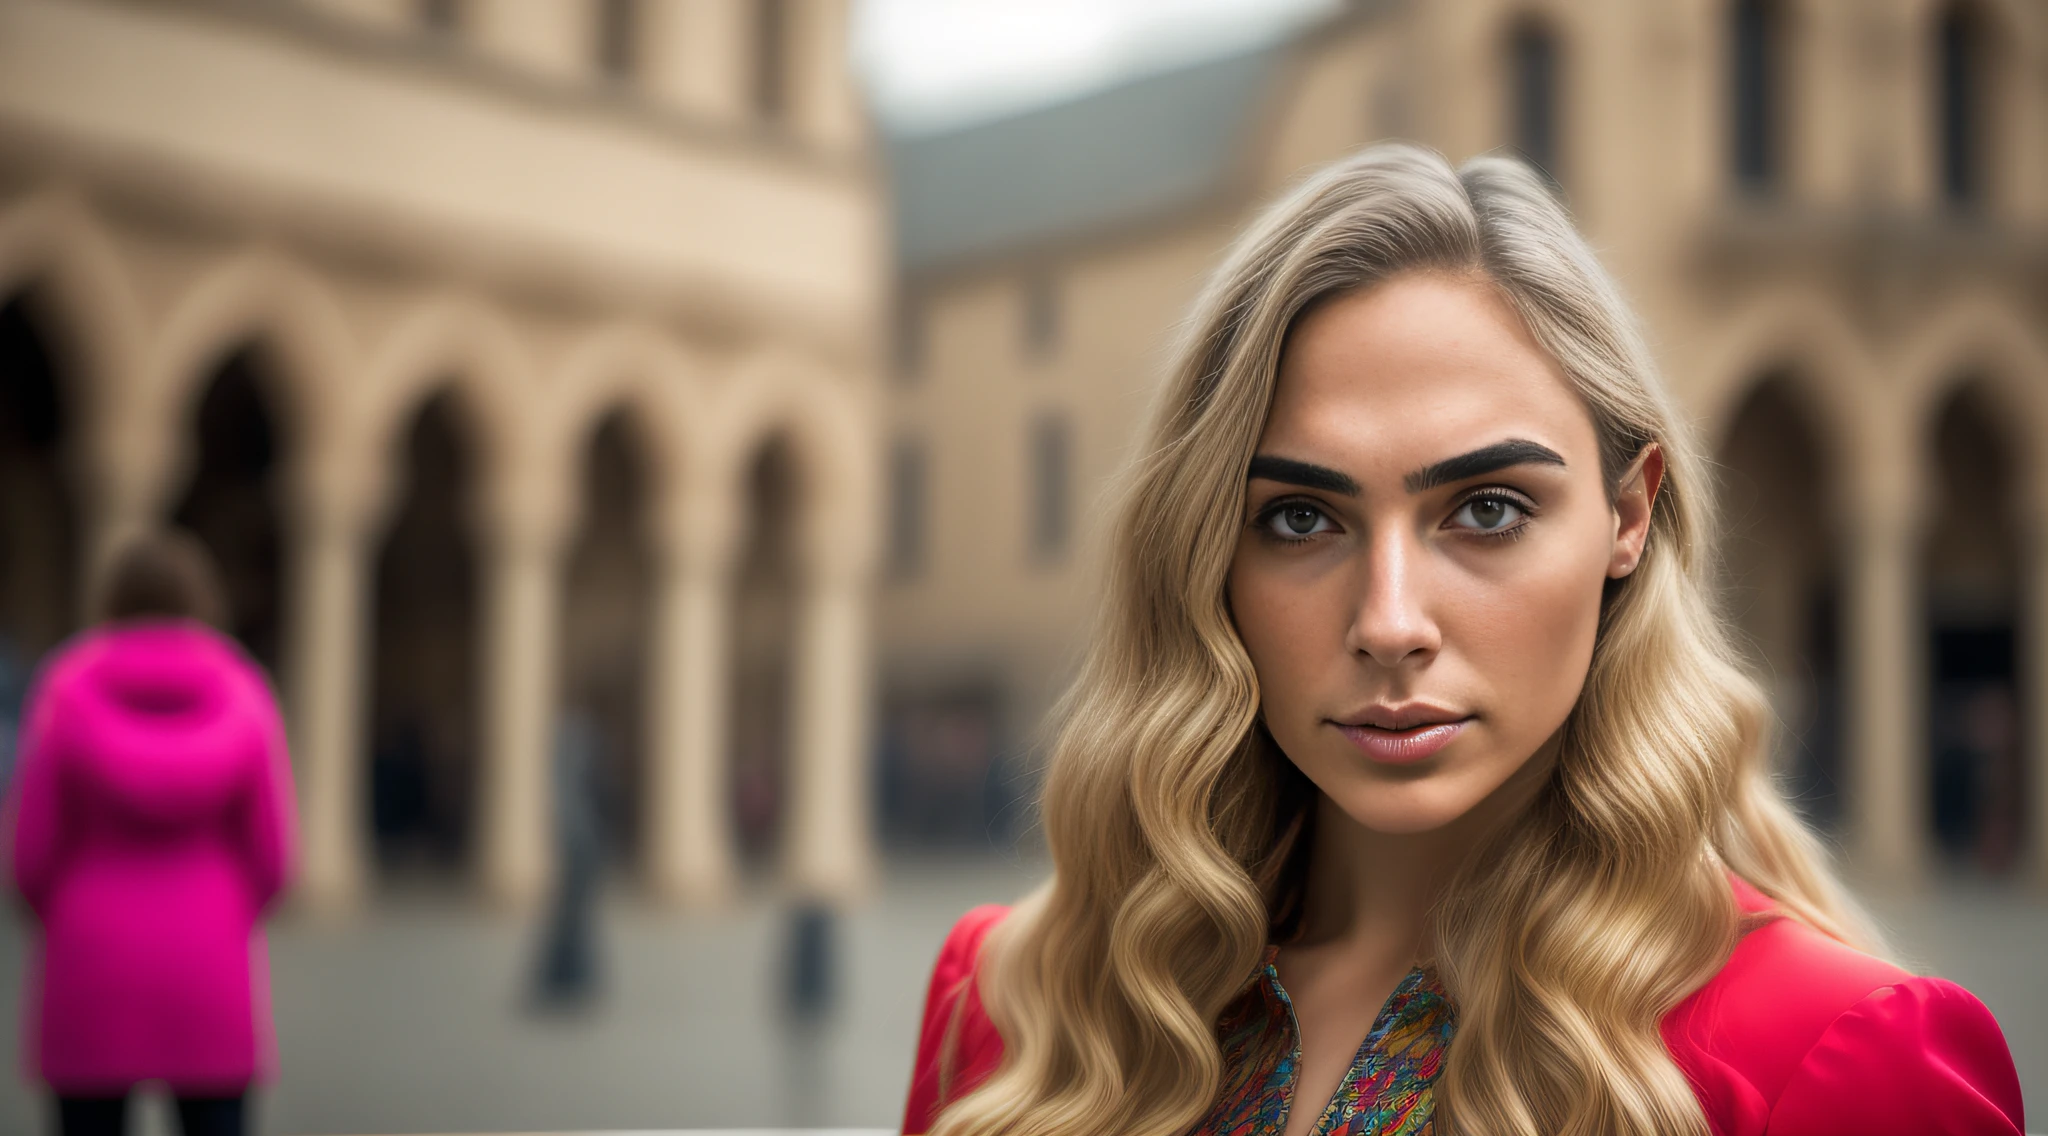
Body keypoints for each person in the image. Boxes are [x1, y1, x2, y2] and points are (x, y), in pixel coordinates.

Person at [901, 144, 2023, 1136]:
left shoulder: (1833, 1063)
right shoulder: (1015, 1004)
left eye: (1485, 509)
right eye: (1300, 517)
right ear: (1207, 552)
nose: (1389, 621)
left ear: (1626, 515)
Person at [4, 530, 297, 1136]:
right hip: (209, 963)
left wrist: (59, 911)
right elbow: (274, 857)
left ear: (110, 603)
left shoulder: (64, 691)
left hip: (90, 960)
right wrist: (225, 911)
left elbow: (30, 852)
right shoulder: (243, 694)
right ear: (202, 603)